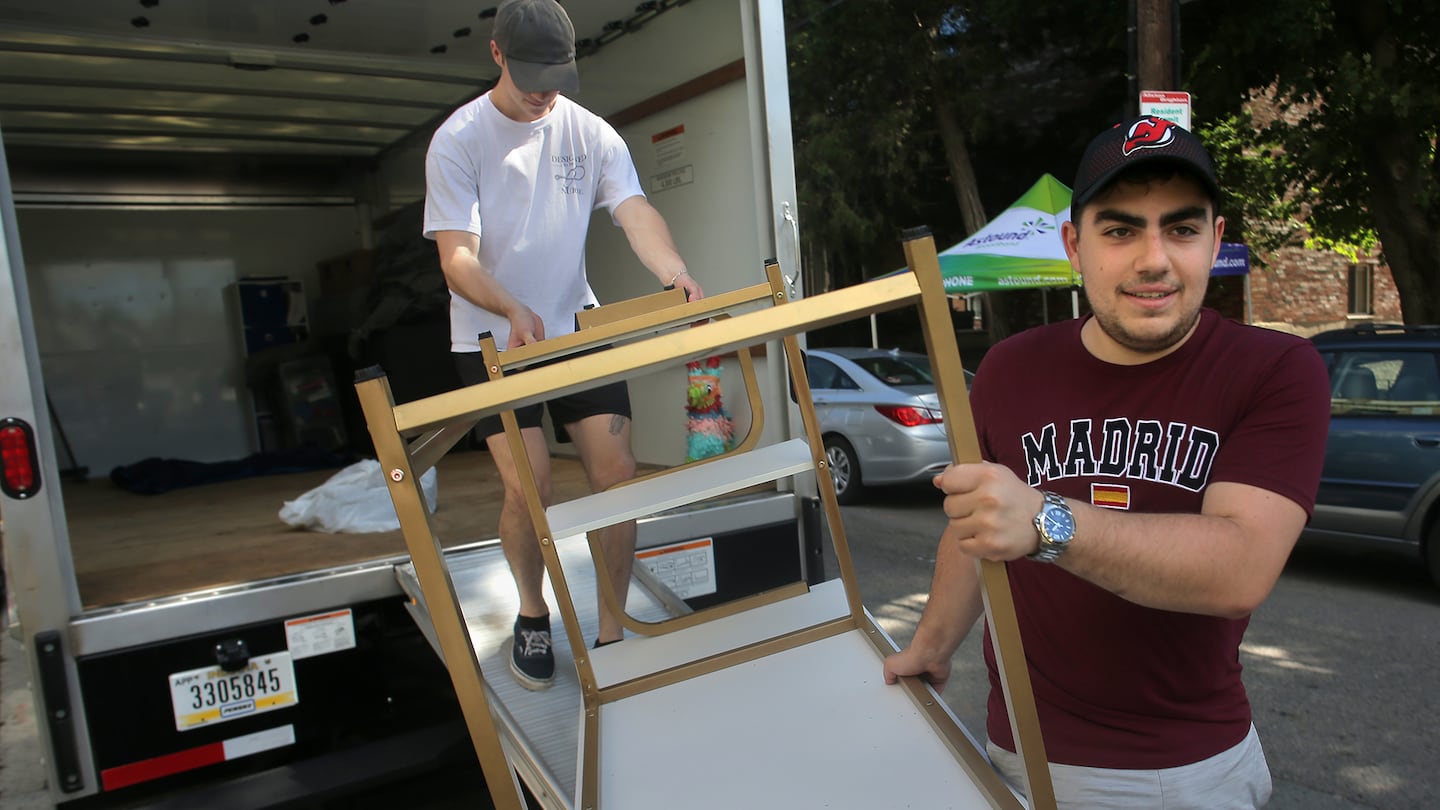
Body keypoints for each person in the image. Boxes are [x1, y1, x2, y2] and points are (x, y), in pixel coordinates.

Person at [883, 116, 1331, 808]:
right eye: (1120, 231)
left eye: (1181, 229)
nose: (1153, 260)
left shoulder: (1276, 369)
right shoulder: (1009, 368)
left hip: (1181, 776)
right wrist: (931, 648)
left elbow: (1239, 568)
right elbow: (977, 526)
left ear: (1216, 239)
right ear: (1074, 246)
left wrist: (1045, 522)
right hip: (1013, 750)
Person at [422, 0, 704, 691]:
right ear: (496, 55)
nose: (542, 90)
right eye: (528, 76)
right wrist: (513, 306)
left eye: (554, 76)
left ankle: (614, 628)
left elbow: (634, 211)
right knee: (532, 486)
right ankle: (530, 614)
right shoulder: (458, 139)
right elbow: (456, 259)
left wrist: (674, 271)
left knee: (615, 471)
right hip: (490, 338)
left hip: (576, 328)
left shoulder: (592, 134)